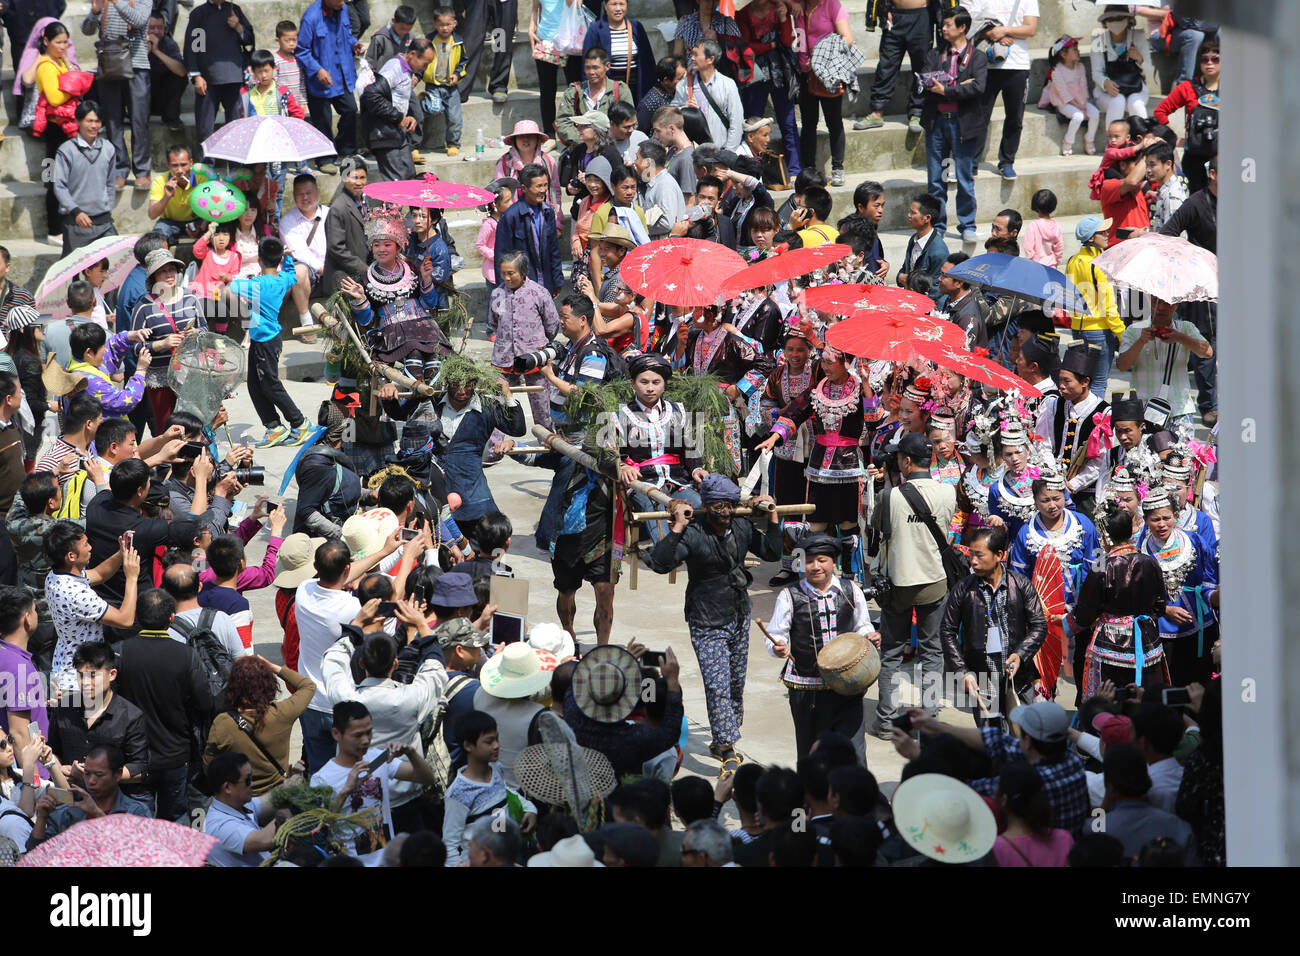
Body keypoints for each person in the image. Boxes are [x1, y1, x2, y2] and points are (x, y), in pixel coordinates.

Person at [651, 476, 780, 772]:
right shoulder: (694, 533)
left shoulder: (743, 526)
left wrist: (772, 515)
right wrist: (678, 527)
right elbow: (660, 563)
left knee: (736, 684)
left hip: (738, 612)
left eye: (731, 506)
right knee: (717, 685)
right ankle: (727, 747)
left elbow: (773, 552)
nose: (725, 514)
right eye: (718, 507)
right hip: (706, 618)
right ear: (706, 506)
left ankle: (724, 738)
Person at [868, 433, 957, 736]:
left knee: (892, 651)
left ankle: (886, 720)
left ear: (906, 461)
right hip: (934, 581)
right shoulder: (948, 492)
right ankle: (929, 719)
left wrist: (884, 486)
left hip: (898, 584)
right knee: (933, 651)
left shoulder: (890, 495)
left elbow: (878, 527)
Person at [763, 535, 881, 760]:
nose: (815, 566)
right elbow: (776, 634)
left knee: (853, 752)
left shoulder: (851, 591)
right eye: (809, 561)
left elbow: (862, 625)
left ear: (834, 563)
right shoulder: (789, 595)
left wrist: (870, 636)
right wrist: (777, 646)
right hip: (807, 689)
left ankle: (854, 793)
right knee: (811, 753)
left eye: (822, 560)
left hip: (848, 685)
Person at [113, 588, 216, 820]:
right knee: (175, 822)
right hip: (176, 755)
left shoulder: (119, 653)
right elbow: (205, 702)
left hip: (133, 758)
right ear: (171, 618)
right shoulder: (187, 655)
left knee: (138, 822)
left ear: (138, 617)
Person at [915, 700, 1089, 833]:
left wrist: (916, 756)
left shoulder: (1030, 782)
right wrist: (936, 726)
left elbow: (961, 791)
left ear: (1028, 742)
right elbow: (1000, 741)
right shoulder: (1073, 762)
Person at [941, 524, 1047, 727]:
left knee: (1021, 738)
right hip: (982, 678)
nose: (972, 561)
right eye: (971, 554)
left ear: (999, 555)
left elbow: (1039, 625)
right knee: (991, 741)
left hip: (1018, 679)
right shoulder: (963, 589)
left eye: (979, 555)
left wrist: (1021, 654)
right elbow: (947, 631)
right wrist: (962, 671)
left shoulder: (1020, 584)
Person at [309, 701, 437, 863]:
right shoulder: (322, 778)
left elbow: (427, 778)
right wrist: (346, 791)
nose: (365, 740)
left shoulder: (377, 760)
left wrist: (410, 752)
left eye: (369, 733)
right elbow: (318, 827)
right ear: (336, 734)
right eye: (357, 735)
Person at [226, 237, 309, 447]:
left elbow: (234, 286)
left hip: (265, 342)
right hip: (263, 340)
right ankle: (274, 427)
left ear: (260, 259)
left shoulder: (258, 284)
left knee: (270, 384)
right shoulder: (282, 279)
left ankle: (299, 423)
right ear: (279, 258)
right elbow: (291, 274)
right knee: (255, 385)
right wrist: (288, 258)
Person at [1135, 487, 1216, 688]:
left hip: (1199, 624)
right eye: (1155, 520)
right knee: (1168, 685)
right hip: (1162, 629)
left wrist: (1214, 596)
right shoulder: (1141, 552)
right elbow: (1138, 594)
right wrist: (1165, 610)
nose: (1161, 524)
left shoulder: (1194, 540)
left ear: (1176, 517)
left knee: (1200, 684)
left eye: (1166, 518)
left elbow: (1209, 578)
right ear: (1146, 521)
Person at [43, 519, 136, 693]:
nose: (90, 548)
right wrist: (132, 577)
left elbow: (99, 574)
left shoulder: (55, 576)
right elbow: (126, 619)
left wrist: (121, 553)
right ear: (71, 556)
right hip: (80, 681)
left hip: (64, 665)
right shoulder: (77, 594)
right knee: (87, 720)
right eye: (85, 544)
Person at [919, 6, 986, 244]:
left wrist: (947, 89)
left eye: (948, 25)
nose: (943, 29)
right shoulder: (935, 55)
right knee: (935, 178)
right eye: (943, 24)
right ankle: (937, 224)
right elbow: (927, 84)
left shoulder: (977, 57)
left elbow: (977, 88)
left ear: (962, 28)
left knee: (965, 178)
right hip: (937, 123)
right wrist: (959, 86)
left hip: (963, 126)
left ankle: (967, 225)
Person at [294, 541, 362, 773]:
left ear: (314, 565)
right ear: (346, 569)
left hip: (310, 700)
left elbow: (340, 573)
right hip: (340, 701)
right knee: (347, 770)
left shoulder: (303, 590)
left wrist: (385, 551)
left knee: (318, 770)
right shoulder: (351, 606)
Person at [48, 641, 149, 792]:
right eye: (81, 676)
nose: (86, 683)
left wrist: (95, 775)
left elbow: (140, 767)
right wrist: (59, 768)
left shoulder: (130, 716)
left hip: (115, 804)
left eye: (93, 676)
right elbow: (54, 751)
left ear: (112, 675)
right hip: (72, 799)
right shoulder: (64, 709)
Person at [442, 710, 538, 866]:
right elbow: (450, 844)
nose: (496, 746)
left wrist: (530, 808)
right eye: (489, 741)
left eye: (497, 739)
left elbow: (505, 792)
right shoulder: (458, 794)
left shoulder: (496, 770)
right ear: (468, 745)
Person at [1115, 297, 1212, 435]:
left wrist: (1180, 337)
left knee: (1180, 457)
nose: (1161, 307)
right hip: (1143, 410)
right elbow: (1123, 365)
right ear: (1149, 301)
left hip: (1179, 410)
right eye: (1156, 301)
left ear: (1176, 305)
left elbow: (1208, 352)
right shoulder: (1134, 330)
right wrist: (1141, 341)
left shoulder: (1186, 328)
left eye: (1167, 303)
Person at [966, 0, 1039, 180]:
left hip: (1017, 65)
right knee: (979, 116)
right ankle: (971, 163)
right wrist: (991, 33)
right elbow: (969, 24)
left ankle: (1006, 162)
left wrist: (1004, 30)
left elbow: (1030, 29)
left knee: (1015, 117)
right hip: (985, 65)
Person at [82, 0, 150, 191]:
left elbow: (138, 20)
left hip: (137, 64)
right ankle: (119, 169)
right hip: (109, 64)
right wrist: (95, 12)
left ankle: (142, 171)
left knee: (139, 120)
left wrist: (116, 2)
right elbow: (87, 30)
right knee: (112, 121)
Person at [1035, 343, 1108, 516]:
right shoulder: (1053, 405)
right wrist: (1054, 476)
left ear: (1085, 382)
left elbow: (1101, 460)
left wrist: (1073, 484)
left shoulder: (1104, 413)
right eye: (1060, 380)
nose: (1061, 386)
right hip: (1053, 487)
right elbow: (1043, 443)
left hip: (1085, 493)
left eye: (1067, 381)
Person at [27, 745, 150, 847]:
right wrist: (42, 818)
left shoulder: (135, 812)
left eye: (99, 775)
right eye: (87, 773)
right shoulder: (69, 812)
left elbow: (137, 852)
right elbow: (36, 855)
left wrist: (97, 814)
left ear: (118, 774)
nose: (91, 781)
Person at [1009, 474, 1100, 611]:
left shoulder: (1083, 524)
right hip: (1042, 608)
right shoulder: (1026, 532)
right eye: (1045, 500)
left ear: (1064, 496)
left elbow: (1097, 565)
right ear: (1035, 501)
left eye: (1056, 499)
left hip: (1081, 606)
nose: (1052, 505)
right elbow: (1019, 575)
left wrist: (1090, 602)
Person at [31, 21, 86, 244]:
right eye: (58, 42)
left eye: (66, 42)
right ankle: (54, 229)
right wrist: (75, 89)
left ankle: (65, 225)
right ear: (46, 42)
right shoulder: (45, 65)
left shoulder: (59, 61)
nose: (63, 46)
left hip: (67, 127)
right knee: (53, 178)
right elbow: (54, 97)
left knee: (68, 178)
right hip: (55, 129)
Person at [1100, 744, 1197, 863]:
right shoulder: (1180, 827)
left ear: (1110, 788)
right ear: (1148, 779)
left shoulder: (1097, 827)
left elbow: (1093, 823)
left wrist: (1102, 806)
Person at [183, 0, 253, 161]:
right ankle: (205, 170)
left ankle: (236, 165)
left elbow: (249, 41)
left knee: (235, 127)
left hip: (234, 79)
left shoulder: (234, 10)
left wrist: (238, 27)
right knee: (204, 129)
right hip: (208, 80)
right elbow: (193, 47)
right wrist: (197, 75)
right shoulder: (200, 14)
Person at [51, 101, 118, 256]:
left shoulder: (109, 148)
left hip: (103, 221)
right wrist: (76, 211)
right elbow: (59, 186)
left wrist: (107, 206)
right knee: (75, 270)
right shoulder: (65, 150)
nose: (94, 126)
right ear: (78, 121)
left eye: (97, 121)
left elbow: (110, 182)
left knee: (114, 261)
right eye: (89, 121)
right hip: (76, 223)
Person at [297, 0, 359, 165]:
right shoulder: (311, 18)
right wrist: (318, 70)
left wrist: (354, 44)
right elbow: (302, 50)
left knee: (351, 110)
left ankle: (346, 150)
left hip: (342, 74)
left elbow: (347, 36)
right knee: (323, 120)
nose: (343, 2)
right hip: (320, 80)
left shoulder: (343, 9)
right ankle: (325, 159)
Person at [1153, 37, 1218, 194]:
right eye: (1204, 59)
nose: (1209, 63)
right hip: (1194, 156)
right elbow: (1160, 111)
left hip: (1223, 155)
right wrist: (1175, 138)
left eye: (1215, 58)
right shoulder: (1187, 87)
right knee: (1196, 202)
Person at [856, 0, 931, 134]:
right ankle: (877, 112)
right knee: (886, 65)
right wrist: (884, 12)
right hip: (894, 17)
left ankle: (917, 112)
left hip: (921, 17)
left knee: (922, 67)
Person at [495, 164, 565, 296]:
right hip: (521, 288)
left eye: (545, 185)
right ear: (524, 188)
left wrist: (557, 281)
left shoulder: (548, 212)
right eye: (539, 186)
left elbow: (554, 250)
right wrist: (505, 290)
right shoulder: (511, 216)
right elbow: (502, 256)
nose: (544, 190)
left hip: (545, 284)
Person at [202, 752, 280, 866]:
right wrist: (287, 812)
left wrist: (291, 785)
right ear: (228, 787)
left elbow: (271, 799)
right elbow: (263, 840)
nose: (252, 784)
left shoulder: (238, 804)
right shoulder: (219, 826)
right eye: (248, 780)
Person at [0, 587, 51, 754]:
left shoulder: (6, 657)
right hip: (25, 772)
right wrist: (33, 778)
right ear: (27, 618)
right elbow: (19, 734)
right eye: (35, 610)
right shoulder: (18, 666)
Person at [993, 763, 1074, 866]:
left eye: (997, 784)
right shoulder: (1064, 839)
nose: (994, 789)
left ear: (1004, 800)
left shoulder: (996, 850)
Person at [556, 46, 636, 151]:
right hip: (582, 149)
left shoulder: (620, 90)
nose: (591, 72)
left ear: (607, 66)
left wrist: (604, 141)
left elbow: (631, 121)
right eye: (587, 68)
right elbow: (563, 122)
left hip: (615, 149)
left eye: (595, 67)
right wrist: (585, 139)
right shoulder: (574, 91)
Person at [672, 39, 743, 151]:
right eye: (692, 54)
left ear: (710, 59)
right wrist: (683, 109)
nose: (692, 58)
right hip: (693, 151)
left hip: (720, 150)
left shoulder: (728, 85)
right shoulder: (684, 85)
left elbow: (736, 123)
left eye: (696, 55)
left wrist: (728, 154)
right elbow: (671, 114)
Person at [583, 0, 655, 104]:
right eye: (614, 4)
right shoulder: (595, 30)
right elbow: (587, 64)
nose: (618, 9)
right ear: (605, 5)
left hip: (636, 88)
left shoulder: (636, 27)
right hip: (608, 90)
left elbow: (648, 61)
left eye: (622, 4)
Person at [496, 122, 563, 229]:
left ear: (537, 139)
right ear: (515, 140)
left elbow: (555, 193)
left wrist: (557, 222)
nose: (526, 139)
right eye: (521, 136)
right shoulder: (505, 164)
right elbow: (499, 196)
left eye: (530, 136)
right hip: (515, 222)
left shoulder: (548, 162)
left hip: (542, 220)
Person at [1091, 6, 1147, 131]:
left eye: (1120, 18)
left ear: (1128, 19)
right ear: (1105, 22)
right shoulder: (1098, 42)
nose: (1116, 22)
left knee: (1136, 103)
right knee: (1118, 100)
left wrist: (1139, 59)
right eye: (1111, 19)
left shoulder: (1138, 37)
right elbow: (1096, 73)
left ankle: (1145, 142)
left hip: (1136, 88)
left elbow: (1148, 70)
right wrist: (1105, 83)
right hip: (1107, 93)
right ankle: (1112, 145)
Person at [420, 8, 466, 158]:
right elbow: (421, 61)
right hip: (433, 85)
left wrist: (457, 75)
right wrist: (418, 76)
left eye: (448, 24)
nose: (444, 28)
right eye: (440, 24)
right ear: (434, 24)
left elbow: (464, 62)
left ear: (454, 24)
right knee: (432, 109)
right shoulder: (429, 41)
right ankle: (423, 102)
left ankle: (453, 144)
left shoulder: (458, 42)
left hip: (451, 88)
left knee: (454, 117)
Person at [1043, 35, 1098, 156]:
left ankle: (1089, 138)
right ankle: (1068, 140)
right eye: (1074, 49)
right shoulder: (1057, 71)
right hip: (1064, 102)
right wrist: (1078, 106)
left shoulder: (1080, 67)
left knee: (1095, 113)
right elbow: (1064, 93)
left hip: (1081, 100)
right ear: (1063, 54)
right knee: (1078, 116)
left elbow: (1084, 87)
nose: (1078, 51)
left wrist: (1084, 103)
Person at [633, 141, 687, 239]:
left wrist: (640, 226)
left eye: (637, 158)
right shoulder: (656, 183)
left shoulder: (664, 185)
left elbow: (667, 223)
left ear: (648, 163)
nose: (635, 162)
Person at [146, 145, 201, 240]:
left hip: (197, 220)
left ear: (191, 163)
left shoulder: (202, 179)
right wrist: (166, 196)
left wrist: (201, 227)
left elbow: (212, 210)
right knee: (156, 239)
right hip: (169, 222)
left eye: (184, 165)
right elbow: (152, 215)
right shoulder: (160, 181)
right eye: (175, 165)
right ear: (167, 164)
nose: (180, 171)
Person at [896, 194, 949, 289]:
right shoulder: (914, 239)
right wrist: (900, 277)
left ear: (927, 218)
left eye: (913, 213)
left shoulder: (939, 252)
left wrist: (909, 282)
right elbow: (906, 269)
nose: (909, 215)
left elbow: (937, 289)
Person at [146, 14, 186, 131]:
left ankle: (171, 118)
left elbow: (182, 72)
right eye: (152, 27)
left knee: (179, 77)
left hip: (161, 96)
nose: (156, 31)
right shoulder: (136, 42)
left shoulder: (169, 44)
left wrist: (156, 51)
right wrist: (146, 52)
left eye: (160, 28)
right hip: (141, 95)